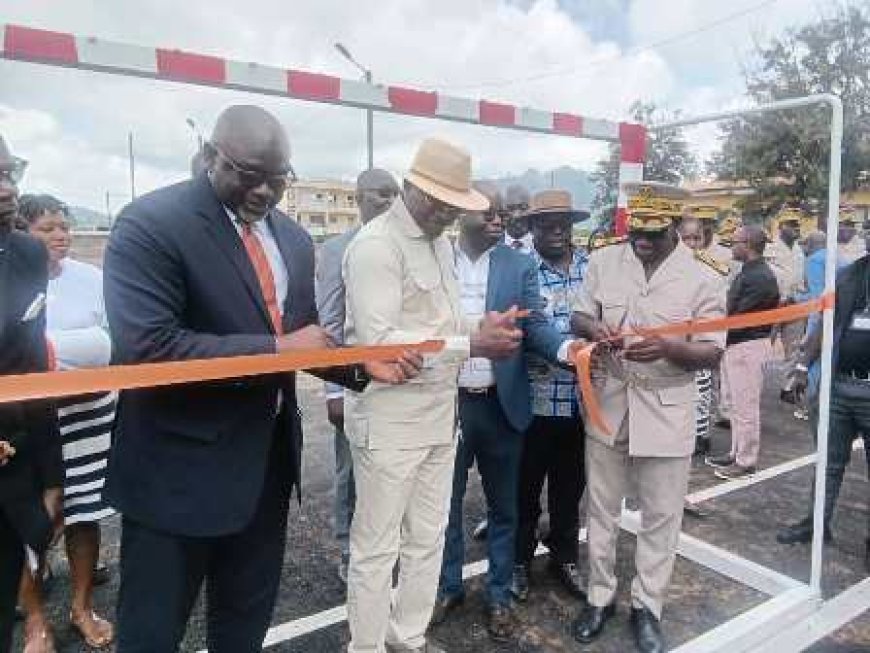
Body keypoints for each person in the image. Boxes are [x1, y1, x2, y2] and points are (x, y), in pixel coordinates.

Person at [103, 105, 382, 652]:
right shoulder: (150, 224)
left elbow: (303, 340)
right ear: (211, 157)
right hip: (175, 478)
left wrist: (358, 364)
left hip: (265, 473)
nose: (263, 191)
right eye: (247, 174)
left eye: (277, 178)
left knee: (243, 630)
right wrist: (279, 347)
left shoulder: (296, 241)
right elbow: (148, 346)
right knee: (151, 635)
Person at [343, 137, 523, 653]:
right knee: (377, 548)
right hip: (390, 420)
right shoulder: (377, 246)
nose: (448, 213)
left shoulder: (439, 242)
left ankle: (408, 637)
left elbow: (437, 323)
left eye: (455, 206)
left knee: (426, 539)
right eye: (442, 202)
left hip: (440, 418)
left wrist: (479, 324)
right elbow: (377, 340)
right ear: (413, 189)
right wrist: (472, 343)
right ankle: (368, 646)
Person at [570, 182, 725, 653]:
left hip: (666, 406)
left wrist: (673, 347)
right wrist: (594, 327)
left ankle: (647, 607)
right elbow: (580, 316)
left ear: (677, 227)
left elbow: (713, 351)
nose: (643, 241)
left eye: (655, 234)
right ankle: (600, 597)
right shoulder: (603, 261)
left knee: (661, 515)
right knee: (601, 510)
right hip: (610, 401)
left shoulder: (705, 275)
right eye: (637, 231)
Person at [432, 183, 575, 641]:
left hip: (501, 405)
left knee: (504, 508)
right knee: (442, 507)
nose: (498, 221)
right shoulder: (436, 259)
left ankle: (498, 595)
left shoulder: (519, 266)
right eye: (488, 214)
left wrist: (568, 348)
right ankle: (447, 586)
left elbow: (536, 326)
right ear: (462, 214)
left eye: (501, 214)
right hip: (447, 406)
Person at [18, 194, 116, 650]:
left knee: (85, 515)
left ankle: (81, 606)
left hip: (91, 415)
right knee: (36, 519)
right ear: (23, 232)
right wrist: (81, 349)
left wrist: (53, 352)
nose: (60, 235)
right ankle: (35, 617)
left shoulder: (91, 278)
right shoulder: (14, 280)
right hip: (34, 420)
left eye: (64, 226)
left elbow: (113, 341)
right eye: (47, 228)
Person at [316, 168, 400, 583]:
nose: (390, 202)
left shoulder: (406, 247)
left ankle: (386, 548)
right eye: (381, 194)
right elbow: (330, 322)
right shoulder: (337, 250)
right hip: (355, 383)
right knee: (351, 472)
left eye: (395, 195)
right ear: (358, 198)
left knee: (391, 472)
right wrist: (333, 388)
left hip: (401, 383)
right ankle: (350, 550)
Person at [509, 189, 590, 604]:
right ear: (532, 228)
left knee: (569, 489)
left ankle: (564, 557)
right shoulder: (521, 272)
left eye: (564, 222)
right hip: (535, 402)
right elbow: (514, 332)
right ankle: (519, 563)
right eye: (546, 223)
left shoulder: (594, 270)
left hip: (582, 403)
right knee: (524, 491)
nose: (557, 229)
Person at [777, 222, 870, 571]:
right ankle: (816, 524)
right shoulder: (851, 275)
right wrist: (803, 367)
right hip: (840, 386)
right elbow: (825, 324)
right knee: (828, 464)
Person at [0, 136, 63, 653]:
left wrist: (52, 473)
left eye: (10, 173)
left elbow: (34, 367)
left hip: (14, 463)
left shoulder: (25, 254)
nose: (6, 190)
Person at [705, 226, 780, 479]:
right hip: (737, 344)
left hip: (748, 345)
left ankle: (746, 460)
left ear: (747, 244)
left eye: (734, 242)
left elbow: (737, 315)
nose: (731, 247)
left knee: (746, 407)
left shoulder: (760, 277)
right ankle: (736, 453)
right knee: (736, 405)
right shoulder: (750, 272)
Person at [677, 216, 729, 457]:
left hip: (701, 339)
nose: (690, 243)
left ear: (703, 240)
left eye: (696, 238)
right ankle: (683, 432)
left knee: (701, 388)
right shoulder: (667, 267)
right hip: (674, 339)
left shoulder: (710, 270)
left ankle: (700, 434)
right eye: (685, 237)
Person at [767, 206, 807, 403]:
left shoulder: (800, 250)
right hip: (773, 305)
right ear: (781, 226)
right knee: (764, 347)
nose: (796, 228)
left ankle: (787, 388)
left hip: (795, 304)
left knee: (794, 348)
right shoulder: (769, 248)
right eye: (791, 224)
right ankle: (752, 386)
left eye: (797, 224)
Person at [503, 184, 533, 254]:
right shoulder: (491, 248)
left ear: (532, 210)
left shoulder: (542, 246)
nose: (516, 215)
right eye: (510, 209)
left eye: (523, 208)